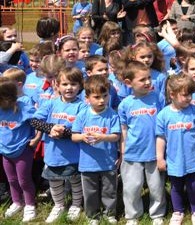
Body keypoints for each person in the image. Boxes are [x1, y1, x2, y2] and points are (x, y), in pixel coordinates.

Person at [31, 67, 86, 223]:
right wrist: (51, 128)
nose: (69, 88)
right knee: (54, 181)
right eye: (65, 84)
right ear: (57, 85)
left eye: (74, 84)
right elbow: (35, 121)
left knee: (75, 181)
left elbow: (80, 128)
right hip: (53, 154)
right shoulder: (50, 103)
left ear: (80, 86)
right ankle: (59, 205)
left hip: (73, 154)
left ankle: (76, 205)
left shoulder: (82, 106)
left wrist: (63, 132)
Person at [118, 61, 166, 225]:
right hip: (133, 152)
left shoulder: (158, 97)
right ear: (128, 83)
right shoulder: (125, 104)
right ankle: (132, 215)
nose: (147, 82)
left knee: (156, 187)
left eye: (149, 78)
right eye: (142, 80)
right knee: (132, 187)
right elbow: (123, 129)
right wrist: (123, 151)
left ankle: (157, 213)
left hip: (154, 152)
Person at [71, 75, 120, 225]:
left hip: (108, 161)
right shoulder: (82, 114)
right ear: (87, 98)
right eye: (96, 97)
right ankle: (92, 216)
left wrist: (102, 137)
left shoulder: (112, 114)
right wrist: (83, 137)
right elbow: (74, 136)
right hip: (88, 162)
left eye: (105, 96)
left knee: (109, 191)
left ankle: (109, 214)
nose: (101, 100)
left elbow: (116, 136)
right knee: (90, 192)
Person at [155, 74, 195, 225]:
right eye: (185, 95)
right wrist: (160, 158)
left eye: (191, 94)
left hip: (193, 158)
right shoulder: (163, 114)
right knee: (176, 187)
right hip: (174, 159)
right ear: (172, 94)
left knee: (194, 186)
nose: (189, 97)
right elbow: (160, 138)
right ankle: (178, 211)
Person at [0, 79, 38, 222]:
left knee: (24, 180)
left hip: (22, 151)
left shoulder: (24, 108)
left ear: (8, 97)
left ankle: (29, 205)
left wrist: (36, 139)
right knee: (12, 180)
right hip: (5, 152)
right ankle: (17, 202)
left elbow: (38, 123)